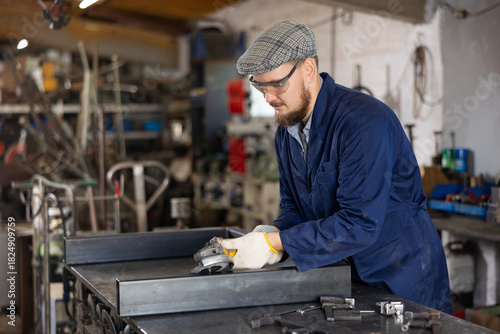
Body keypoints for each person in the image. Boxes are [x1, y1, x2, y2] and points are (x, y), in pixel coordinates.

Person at [219, 19, 452, 313]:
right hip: (343, 276)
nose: (268, 98)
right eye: (259, 86)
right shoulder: (287, 129)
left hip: (399, 275)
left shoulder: (362, 121)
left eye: (277, 84)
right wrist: (267, 235)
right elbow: (294, 206)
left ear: (308, 70)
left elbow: (360, 222)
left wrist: (276, 242)